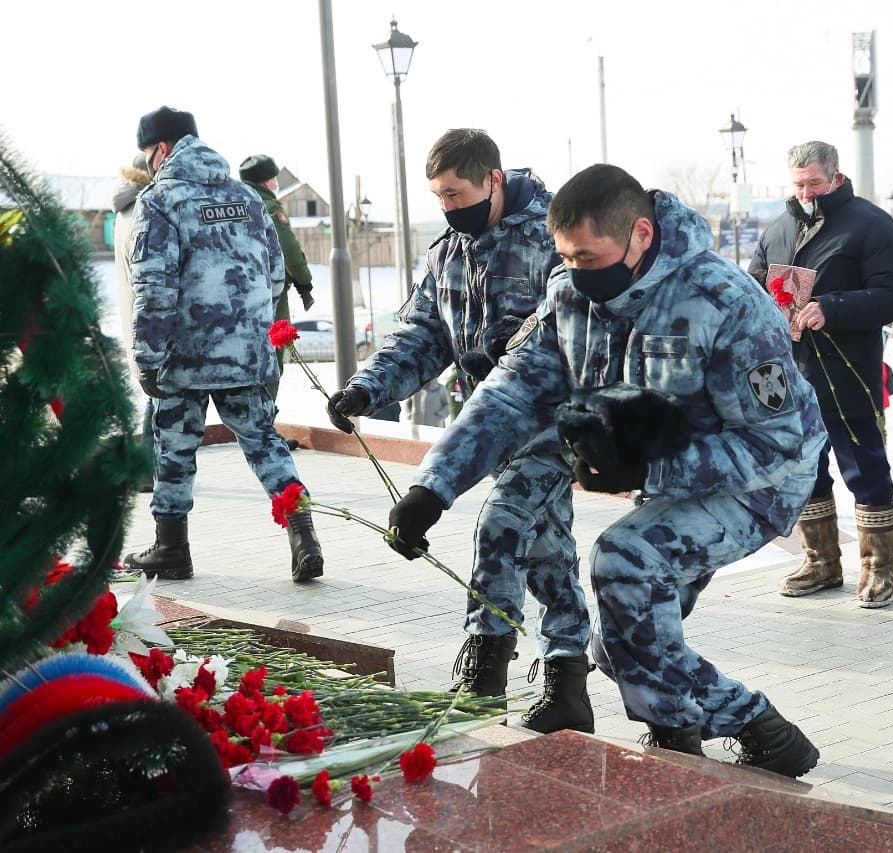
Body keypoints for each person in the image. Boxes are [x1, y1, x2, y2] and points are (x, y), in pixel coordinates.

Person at [385, 163, 828, 778]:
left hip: (761, 480)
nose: (575, 271)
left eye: (588, 257)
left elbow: (775, 443)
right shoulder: (569, 294)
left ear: (640, 234)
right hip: (679, 480)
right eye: (565, 257)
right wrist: (433, 487)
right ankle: (762, 736)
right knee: (626, 644)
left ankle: (696, 735)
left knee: (624, 562)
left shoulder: (723, 301)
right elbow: (513, 393)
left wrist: (651, 465)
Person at [325, 128, 594, 735]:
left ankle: (483, 677)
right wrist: (368, 389)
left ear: (493, 180)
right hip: (488, 422)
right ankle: (567, 681)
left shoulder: (553, 239)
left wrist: (529, 340)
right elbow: (423, 336)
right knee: (547, 549)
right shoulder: (448, 252)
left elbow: (588, 325)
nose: (447, 205)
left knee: (500, 526)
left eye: (455, 191)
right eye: (437, 195)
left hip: (555, 419)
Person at [122, 106, 324, 584]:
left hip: (184, 355)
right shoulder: (247, 196)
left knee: (173, 448)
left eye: (149, 154)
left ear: (162, 150)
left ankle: (172, 548)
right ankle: (305, 537)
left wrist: (146, 358)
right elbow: (275, 275)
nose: (149, 164)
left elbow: (154, 287)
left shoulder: (160, 200)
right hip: (247, 353)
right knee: (264, 443)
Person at [750, 141, 893, 608]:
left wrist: (831, 308)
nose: (805, 192)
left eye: (814, 183)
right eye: (798, 183)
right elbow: (753, 286)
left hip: (848, 374)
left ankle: (879, 570)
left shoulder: (871, 224)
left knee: (866, 471)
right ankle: (821, 562)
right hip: (788, 377)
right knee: (804, 471)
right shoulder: (777, 229)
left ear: (836, 177)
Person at [238, 154, 314, 408]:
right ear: (267, 182)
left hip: (240, 294)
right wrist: (305, 283)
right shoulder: (269, 207)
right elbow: (288, 249)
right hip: (271, 291)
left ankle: (252, 420)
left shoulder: (237, 204)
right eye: (273, 179)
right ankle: (265, 421)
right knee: (272, 354)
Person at [112, 152, 154, 491]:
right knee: (158, 398)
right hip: (150, 318)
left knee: (156, 397)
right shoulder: (144, 207)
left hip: (135, 314)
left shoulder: (125, 207)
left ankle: (143, 469)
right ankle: (143, 470)